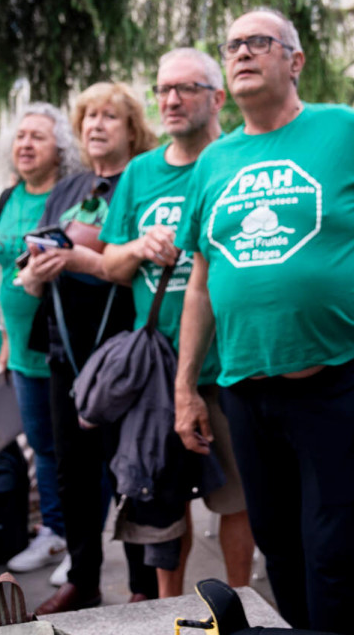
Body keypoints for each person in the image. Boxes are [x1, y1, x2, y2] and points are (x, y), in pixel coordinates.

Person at [173, 8, 354, 634]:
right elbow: (202, 285)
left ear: (294, 61)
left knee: (333, 554)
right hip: (245, 388)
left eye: (258, 42)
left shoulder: (347, 132)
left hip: (335, 383)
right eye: (232, 43)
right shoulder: (215, 163)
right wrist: (186, 385)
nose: (241, 52)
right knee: (280, 551)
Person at [101, 49, 255, 598]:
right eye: (163, 89)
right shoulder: (141, 173)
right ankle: (167, 609)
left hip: (232, 364)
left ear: (217, 98)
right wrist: (140, 246)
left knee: (235, 500)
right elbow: (109, 264)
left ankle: (239, 605)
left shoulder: (239, 160)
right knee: (167, 501)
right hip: (160, 370)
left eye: (185, 88)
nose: (170, 100)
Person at [16, 83, 161, 614]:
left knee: (133, 468)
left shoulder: (142, 180)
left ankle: (144, 586)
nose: (97, 125)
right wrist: (36, 266)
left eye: (110, 117)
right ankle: (83, 577)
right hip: (64, 348)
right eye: (89, 117)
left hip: (125, 349)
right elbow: (34, 256)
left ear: (132, 130)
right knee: (71, 471)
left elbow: (146, 257)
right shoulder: (69, 186)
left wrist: (82, 255)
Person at [0, 103, 81, 576]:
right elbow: (1, 270)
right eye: (20, 136)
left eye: (37, 136)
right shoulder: (7, 198)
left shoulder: (70, 195)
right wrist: (1, 338)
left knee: (70, 450)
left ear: (60, 148)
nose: (25, 144)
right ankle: (55, 533)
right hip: (18, 349)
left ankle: (82, 546)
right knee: (39, 443)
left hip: (61, 348)